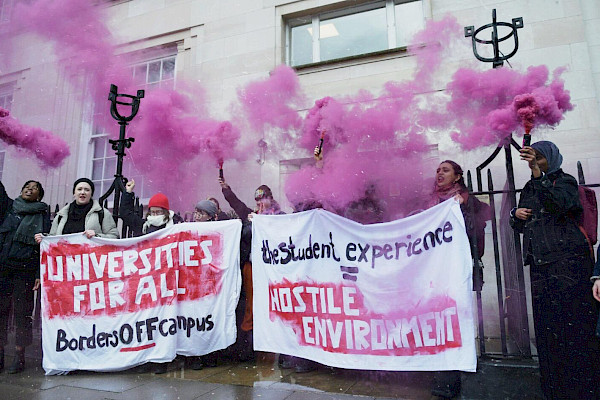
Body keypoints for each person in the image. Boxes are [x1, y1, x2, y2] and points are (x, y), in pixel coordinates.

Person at [511, 141, 600, 399]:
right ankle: (554, 389)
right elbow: (520, 225)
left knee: (573, 329)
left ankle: (583, 388)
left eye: (540, 158)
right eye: (533, 158)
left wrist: (538, 176)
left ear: (551, 158)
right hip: (541, 266)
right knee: (547, 331)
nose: (535, 163)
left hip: (568, 265)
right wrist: (516, 215)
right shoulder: (530, 186)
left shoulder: (565, 181)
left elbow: (560, 205)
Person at [428, 160, 490, 399]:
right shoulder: (430, 200)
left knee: (454, 321)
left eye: (445, 170)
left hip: (457, 270)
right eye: (437, 170)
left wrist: (463, 208)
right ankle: (439, 376)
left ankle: (450, 380)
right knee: (437, 322)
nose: (439, 174)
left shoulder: (466, 199)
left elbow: (479, 226)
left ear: (457, 176)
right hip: (434, 271)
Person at [218, 178, 284, 363]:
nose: (259, 204)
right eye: (257, 201)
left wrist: (264, 222)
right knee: (251, 305)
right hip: (252, 267)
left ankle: (275, 346)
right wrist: (227, 190)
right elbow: (238, 206)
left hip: (273, 268)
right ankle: (250, 348)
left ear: (270, 199)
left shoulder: (280, 216)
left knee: (274, 304)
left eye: (262, 200)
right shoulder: (250, 215)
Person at [119, 179, 176, 374]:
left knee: (164, 320)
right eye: (152, 212)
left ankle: (161, 360)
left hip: (166, 281)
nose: (155, 215)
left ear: (166, 212)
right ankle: (147, 357)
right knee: (147, 320)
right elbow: (125, 215)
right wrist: (127, 194)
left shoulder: (176, 227)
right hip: (147, 280)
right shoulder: (144, 226)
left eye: (159, 212)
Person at [0, 179, 49, 374]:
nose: (30, 189)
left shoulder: (42, 215)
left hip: (25, 270)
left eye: (35, 188)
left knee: (22, 313)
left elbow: (45, 247)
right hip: (4, 268)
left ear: (40, 195)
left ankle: (19, 355)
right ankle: (1, 353)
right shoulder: (9, 208)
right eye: (27, 186)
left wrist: (38, 273)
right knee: (1, 312)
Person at [45, 178, 118, 239]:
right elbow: (52, 239)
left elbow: (114, 237)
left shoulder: (102, 213)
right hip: (66, 255)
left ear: (91, 194)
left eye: (87, 190)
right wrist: (43, 238)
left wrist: (96, 236)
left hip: (90, 255)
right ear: (74, 193)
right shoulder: (61, 215)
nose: (83, 192)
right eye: (79, 189)